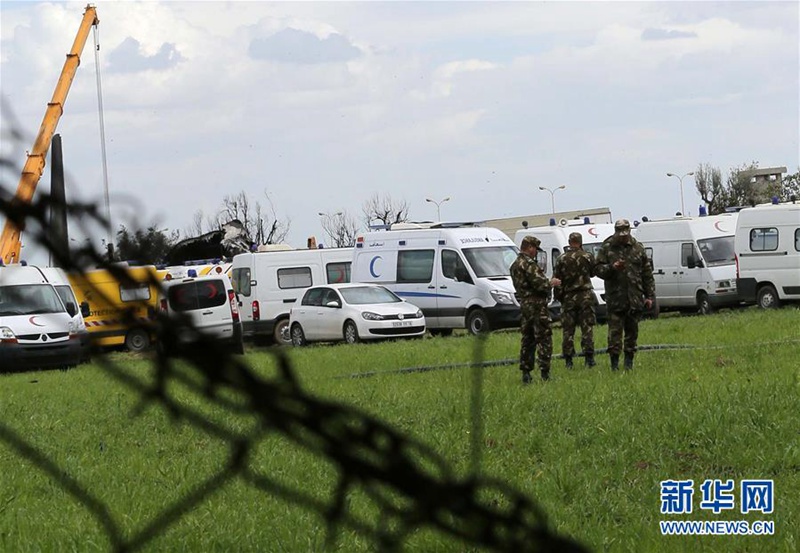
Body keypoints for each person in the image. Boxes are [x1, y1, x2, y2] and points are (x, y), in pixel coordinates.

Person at [594, 219, 655, 370]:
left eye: (625, 234)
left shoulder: (638, 247)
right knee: (614, 333)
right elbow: (597, 270)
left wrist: (649, 296)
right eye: (620, 234)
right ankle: (614, 364)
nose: (623, 237)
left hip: (634, 298)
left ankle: (629, 362)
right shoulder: (607, 247)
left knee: (632, 332)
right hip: (615, 298)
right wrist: (612, 268)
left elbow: (646, 273)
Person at [510, 235, 561, 383]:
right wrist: (551, 283)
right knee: (544, 337)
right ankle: (545, 372)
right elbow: (541, 284)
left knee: (528, 339)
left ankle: (526, 372)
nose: (536, 253)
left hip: (525, 304)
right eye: (535, 250)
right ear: (530, 247)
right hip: (537, 305)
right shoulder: (529, 265)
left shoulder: (514, 265)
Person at [553, 232, 596, 369]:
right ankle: (589, 358)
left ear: (569, 242)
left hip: (568, 297)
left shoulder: (561, 259)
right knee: (587, 327)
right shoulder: (587, 257)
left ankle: (568, 360)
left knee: (568, 329)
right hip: (585, 296)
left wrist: (560, 297)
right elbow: (593, 273)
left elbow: (557, 280)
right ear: (580, 241)